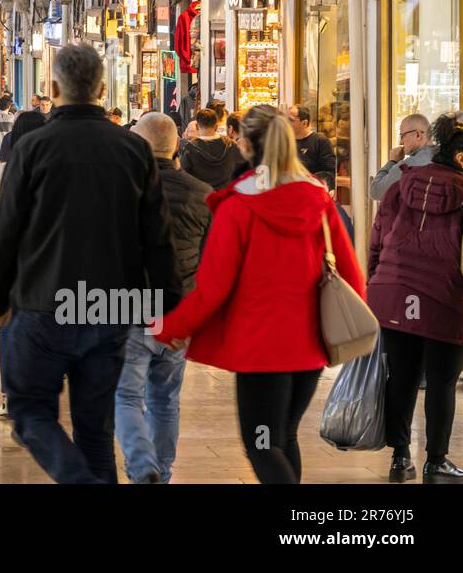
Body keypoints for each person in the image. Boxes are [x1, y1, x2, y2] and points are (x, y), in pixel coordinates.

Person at [0, 44, 180, 484]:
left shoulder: (31, 148)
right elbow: (157, 237)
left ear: (52, 89)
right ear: (102, 90)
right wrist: (169, 304)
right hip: (110, 307)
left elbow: (5, 230)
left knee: (31, 411)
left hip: (42, 303)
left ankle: (79, 481)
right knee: (95, 429)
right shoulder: (134, 151)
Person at [152, 105, 365, 484]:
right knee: (281, 437)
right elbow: (350, 275)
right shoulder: (318, 200)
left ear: (246, 145)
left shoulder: (239, 206)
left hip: (262, 350)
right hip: (310, 347)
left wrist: (172, 327)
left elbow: (213, 288)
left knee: (261, 443)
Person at [366, 114, 463, 484]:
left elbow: (378, 238)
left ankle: (399, 457)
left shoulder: (399, 184)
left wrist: (375, 283)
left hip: (393, 292)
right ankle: (436, 462)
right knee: (441, 380)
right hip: (444, 297)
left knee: (402, 376)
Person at [114, 113, 211, 484]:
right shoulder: (202, 194)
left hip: (129, 310)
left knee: (125, 397)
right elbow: (209, 260)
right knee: (165, 400)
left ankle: (142, 469)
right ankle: (163, 473)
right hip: (178, 313)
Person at [0, 110, 47, 418]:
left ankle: (10, 396)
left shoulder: (2, 172)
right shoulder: (56, 170)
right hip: (50, 262)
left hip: (13, 262)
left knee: (11, 328)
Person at [370, 112, 434, 201]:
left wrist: (392, 161)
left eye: (402, 136)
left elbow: (376, 191)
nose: (401, 142)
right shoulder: (444, 157)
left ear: (418, 135)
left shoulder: (409, 165)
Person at [179, 108, 245, 190]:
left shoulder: (189, 148)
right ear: (216, 126)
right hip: (224, 197)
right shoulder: (231, 145)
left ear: (197, 126)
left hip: (200, 198)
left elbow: (183, 176)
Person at [287, 104, 336, 191]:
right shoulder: (285, 142)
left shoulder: (320, 141)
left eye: (291, 120)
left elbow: (329, 173)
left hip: (312, 193)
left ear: (304, 123)